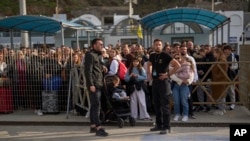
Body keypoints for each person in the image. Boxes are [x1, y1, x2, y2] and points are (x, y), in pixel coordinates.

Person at [148, 39, 181, 134]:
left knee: (165, 105)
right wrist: (149, 73)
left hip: (164, 83)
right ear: (153, 45)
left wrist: (168, 75)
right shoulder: (152, 55)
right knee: (156, 104)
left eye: (159, 44)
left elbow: (177, 65)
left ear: (161, 46)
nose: (157, 46)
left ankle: (167, 127)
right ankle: (159, 125)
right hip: (155, 82)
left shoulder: (165, 55)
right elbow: (149, 64)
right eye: (156, 44)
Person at [84, 38, 109, 137]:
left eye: (102, 44)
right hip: (94, 84)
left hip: (99, 83)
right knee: (96, 106)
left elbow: (98, 64)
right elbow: (88, 71)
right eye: (100, 44)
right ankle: (98, 128)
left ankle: (93, 125)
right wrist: (91, 85)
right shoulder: (89, 55)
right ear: (94, 45)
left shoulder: (98, 55)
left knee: (94, 105)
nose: (102, 46)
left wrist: (103, 66)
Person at [171, 56, 195, 122]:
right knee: (176, 101)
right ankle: (177, 114)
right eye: (177, 58)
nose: (180, 60)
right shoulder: (175, 66)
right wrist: (181, 80)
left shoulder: (189, 67)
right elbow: (172, 76)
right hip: (176, 85)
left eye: (181, 59)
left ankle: (185, 115)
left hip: (184, 86)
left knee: (184, 101)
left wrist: (188, 81)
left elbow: (191, 77)